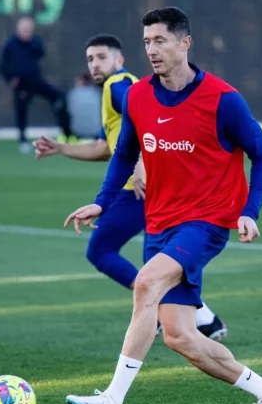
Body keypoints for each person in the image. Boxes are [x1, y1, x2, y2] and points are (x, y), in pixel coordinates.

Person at [63, 8, 262, 404]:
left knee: (146, 283)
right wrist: (102, 202)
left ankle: (112, 401)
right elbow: (124, 155)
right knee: (180, 338)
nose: (151, 49)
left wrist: (249, 211)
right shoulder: (138, 97)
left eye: (161, 40)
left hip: (205, 221)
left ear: (185, 43)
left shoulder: (224, 100)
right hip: (160, 223)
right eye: (147, 41)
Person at [34, 34, 227, 341]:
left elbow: (140, 118)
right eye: (90, 59)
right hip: (152, 187)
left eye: (101, 57)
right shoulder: (120, 92)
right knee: (160, 258)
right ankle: (203, 318)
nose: (95, 64)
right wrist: (60, 148)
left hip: (136, 190)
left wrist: (139, 167)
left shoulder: (118, 86)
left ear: (119, 60)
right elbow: (104, 148)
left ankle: (174, 311)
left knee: (101, 251)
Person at [0, 16, 73, 154]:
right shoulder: (11, 44)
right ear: (18, 28)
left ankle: (67, 134)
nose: (26, 32)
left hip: (36, 80)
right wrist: (11, 79)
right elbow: (3, 66)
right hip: (22, 85)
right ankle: (22, 140)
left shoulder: (35, 41)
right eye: (24, 29)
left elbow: (40, 54)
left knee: (59, 97)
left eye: (29, 29)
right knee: (21, 111)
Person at [66, 72, 102, 141]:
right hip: (95, 131)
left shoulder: (73, 93)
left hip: (77, 131)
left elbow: (68, 111)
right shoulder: (96, 93)